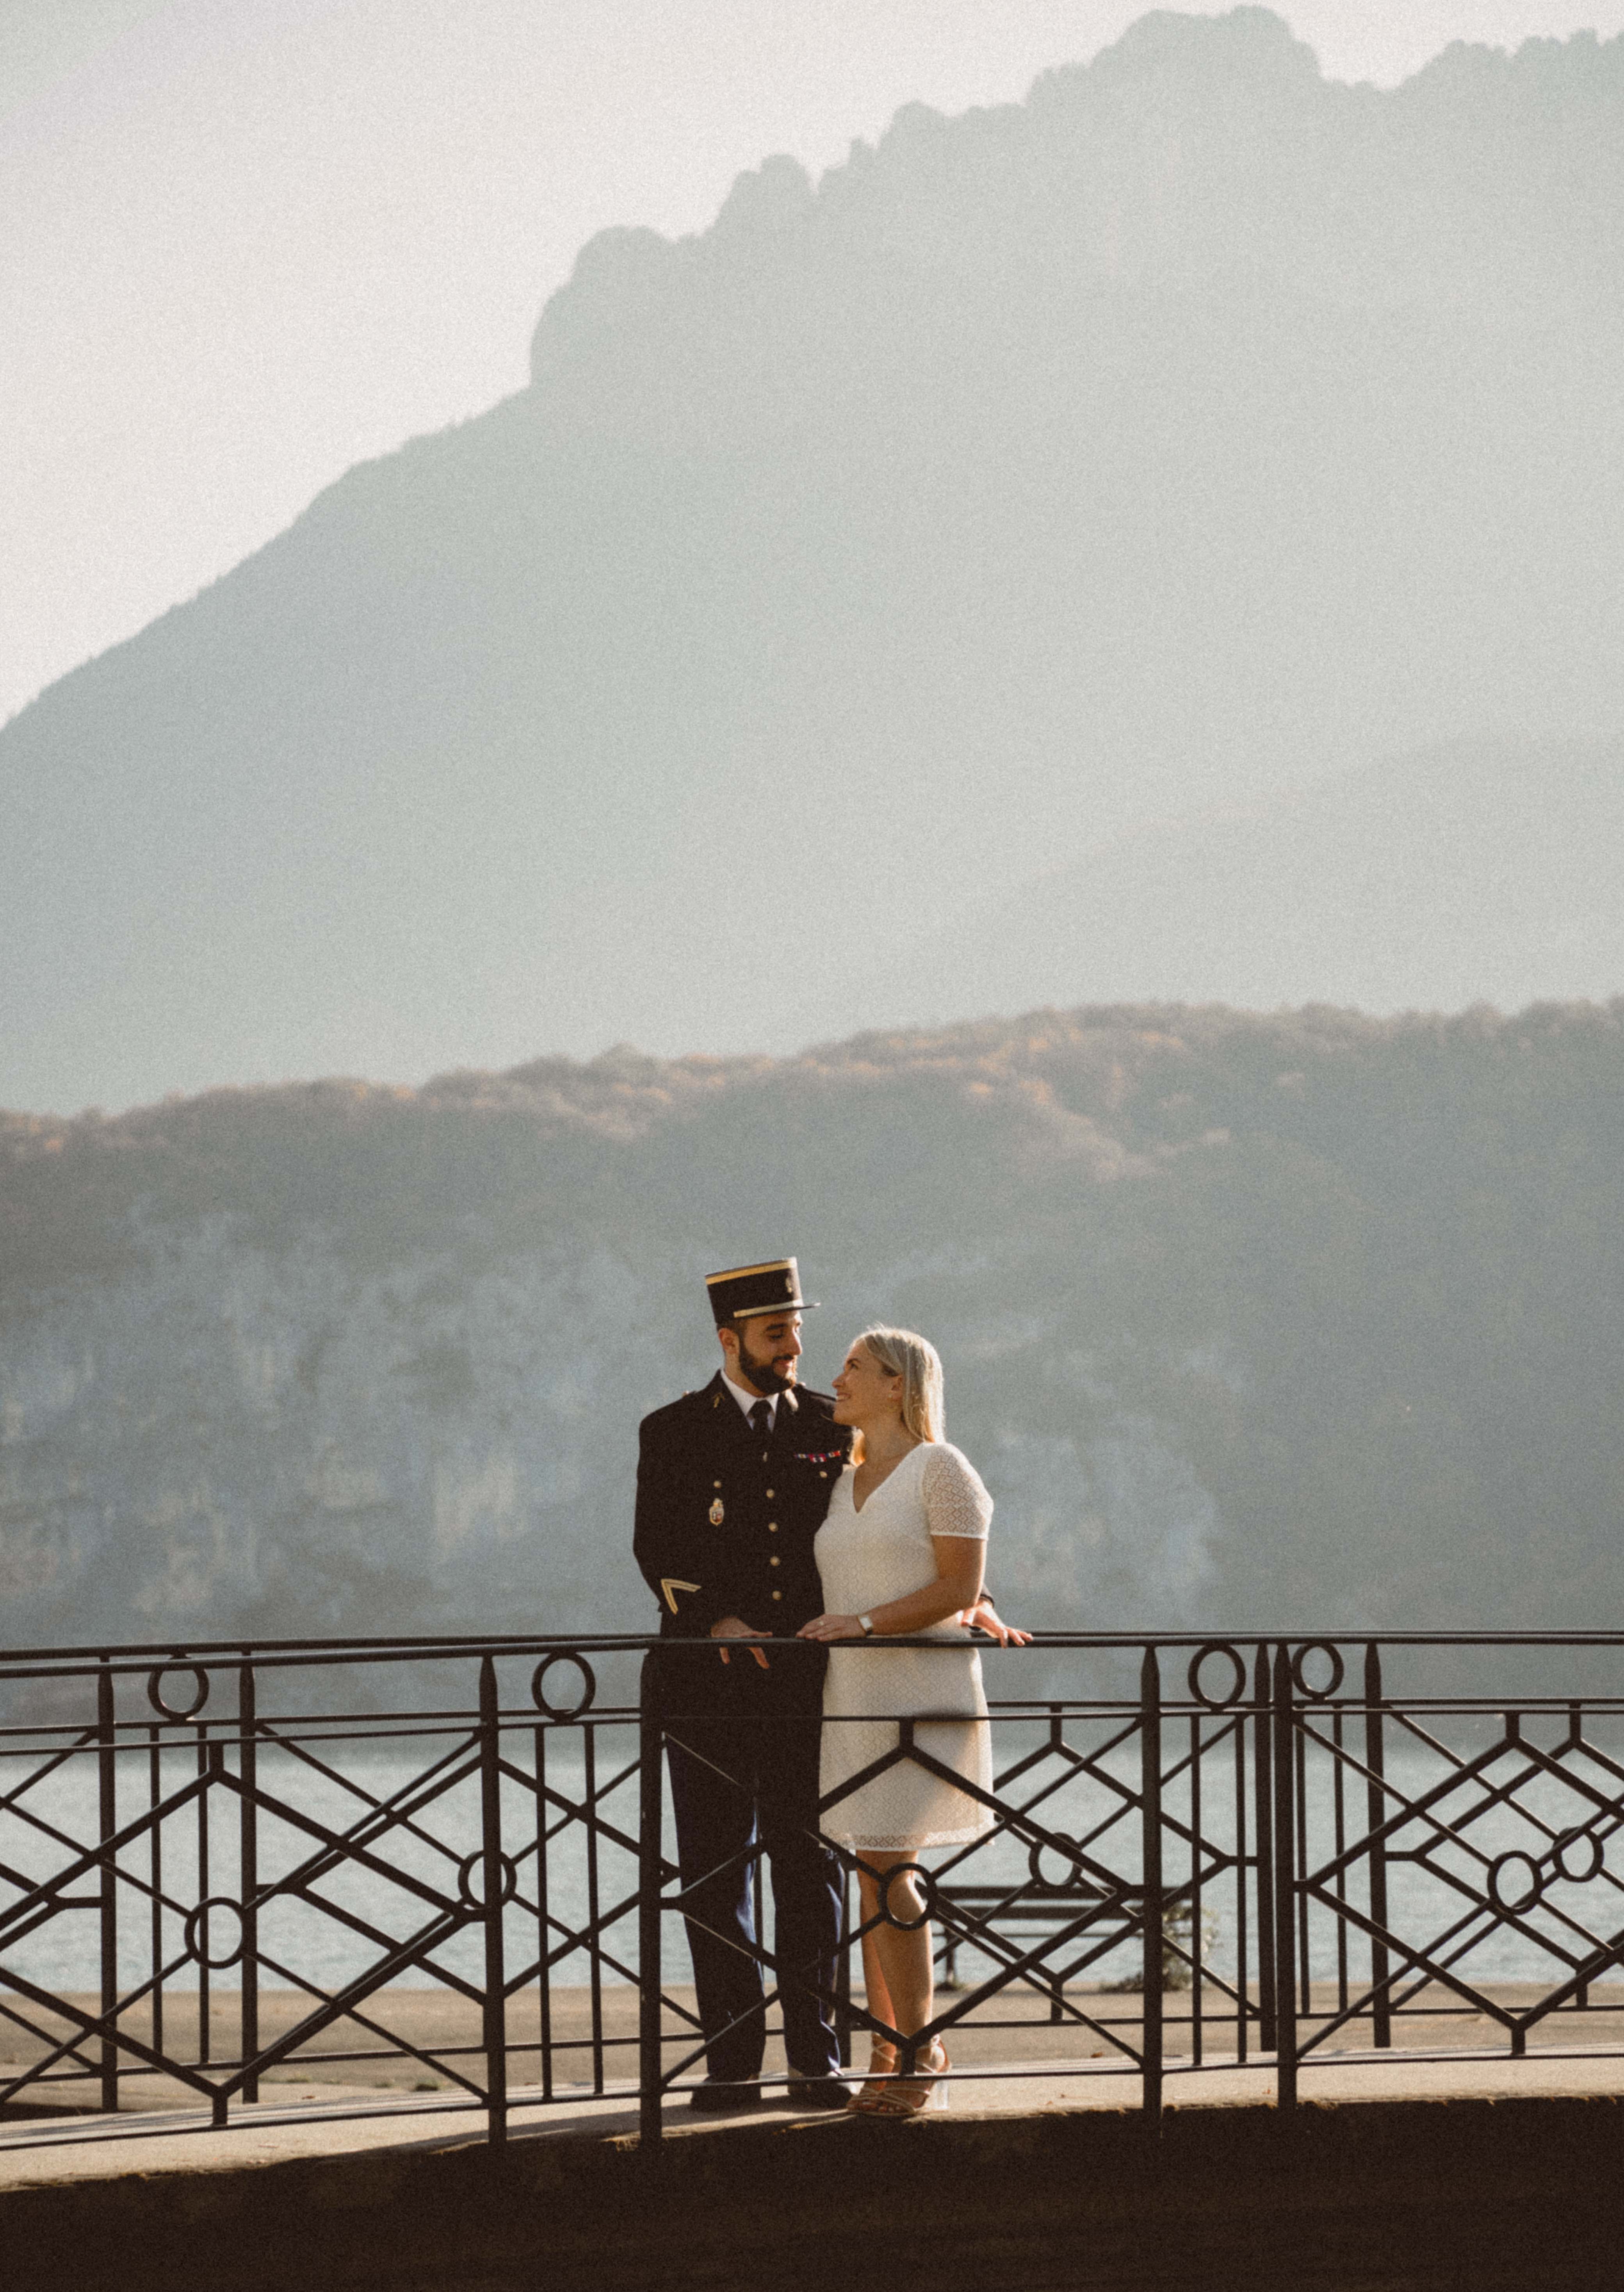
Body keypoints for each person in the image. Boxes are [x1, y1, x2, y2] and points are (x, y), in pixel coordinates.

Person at [633, 1258, 854, 2111]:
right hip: (707, 1685)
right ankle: (732, 2061)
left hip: (804, 1685)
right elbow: (658, 1549)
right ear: (729, 1339)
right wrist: (717, 1619)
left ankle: (817, 2056)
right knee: (714, 1877)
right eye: (775, 1332)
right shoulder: (674, 1429)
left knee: (809, 1867)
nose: (795, 1345)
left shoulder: (836, 1427)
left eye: (797, 1327)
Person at [800, 1324, 1025, 2116]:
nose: (837, 1376)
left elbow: (959, 1584)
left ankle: (920, 2046)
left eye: (854, 1366)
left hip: (919, 1694)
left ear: (897, 1384)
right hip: (855, 1693)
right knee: (872, 1872)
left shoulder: (942, 1467)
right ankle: (883, 2046)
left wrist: (862, 1623)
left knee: (893, 1868)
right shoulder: (846, 1476)